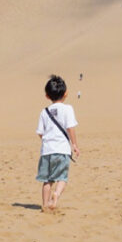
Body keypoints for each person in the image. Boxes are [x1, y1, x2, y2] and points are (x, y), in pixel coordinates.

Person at [36, 75, 80, 211]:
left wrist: (48, 141)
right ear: (66, 93)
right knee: (62, 178)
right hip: (62, 150)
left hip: (47, 151)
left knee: (47, 180)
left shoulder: (44, 112)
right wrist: (74, 145)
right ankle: (56, 194)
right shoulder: (68, 109)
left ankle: (45, 205)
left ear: (47, 96)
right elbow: (70, 128)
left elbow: (40, 133)